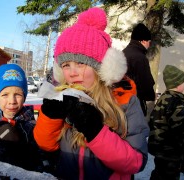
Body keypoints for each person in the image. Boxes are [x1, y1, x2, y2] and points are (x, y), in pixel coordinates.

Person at [34, 7, 149, 180]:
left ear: (102, 67)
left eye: (80, 63)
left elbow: (136, 162)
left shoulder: (125, 101)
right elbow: (46, 145)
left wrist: (96, 131)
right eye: (66, 65)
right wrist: (50, 117)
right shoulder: (64, 98)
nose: (72, 73)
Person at [148, 65, 184, 179]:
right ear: (177, 84)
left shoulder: (164, 97)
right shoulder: (176, 100)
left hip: (159, 147)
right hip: (170, 150)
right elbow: (180, 128)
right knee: (169, 175)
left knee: (159, 173)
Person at [123, 23, 155, 116]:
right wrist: (151, 97)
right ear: (143, 41)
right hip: (134, 102)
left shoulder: (124, 52)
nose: (149, 45)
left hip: (121, 100)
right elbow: (145, 81)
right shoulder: (139, 57)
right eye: (149, 41)